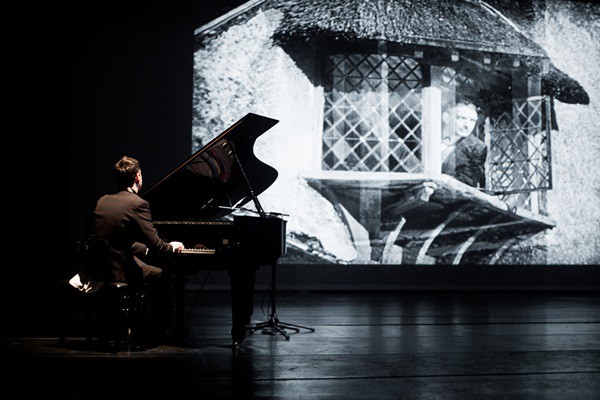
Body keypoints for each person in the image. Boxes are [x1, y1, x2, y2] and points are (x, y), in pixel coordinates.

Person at [70, 156, 184, 341]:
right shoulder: (138, 204)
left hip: (99, 268)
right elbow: (157, 244)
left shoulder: (103, 200)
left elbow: (112, 238)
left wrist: (142, 250)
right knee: (162, 274)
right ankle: (159, 332)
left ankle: (126, 324)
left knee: (143, 265)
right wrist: (172, 246)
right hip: (119, 270)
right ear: (138, 176)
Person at [441, 101, 487, 188]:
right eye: (461, 118)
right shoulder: (430, 139)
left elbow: (467, 184)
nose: (467, 125)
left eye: (472, 120)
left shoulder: (477, 147)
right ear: (446, 117)